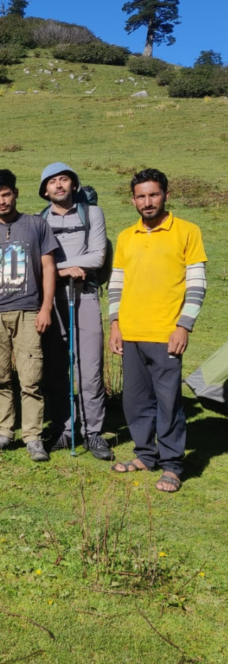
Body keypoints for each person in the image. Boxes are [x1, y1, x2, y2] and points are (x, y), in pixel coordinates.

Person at [109, 168, 207, 493]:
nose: (147, 202)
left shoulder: (187, 231)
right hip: (132, 333)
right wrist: (114, 325)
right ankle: (144, 455)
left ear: (166, 194)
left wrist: (183, 326)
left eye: (153, 195)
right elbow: (117, 285)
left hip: (167, 334)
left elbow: (196, 284)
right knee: (135, 403)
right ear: (133, 199)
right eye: (141, 196)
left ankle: (172, 465)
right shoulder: (125, 237)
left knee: (168, 402)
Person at [0, 169, 58, 462]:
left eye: (6, 194)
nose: (2, 201)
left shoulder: (36, 225)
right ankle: (4, 432)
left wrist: (46, 307)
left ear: (16, 193)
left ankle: (33, 437)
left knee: (31, 378)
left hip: (29, 311)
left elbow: (48, 268)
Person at [38, 162, 113, 460]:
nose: (59, 185)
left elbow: (98, 255)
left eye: (64, 179)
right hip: (50, 298)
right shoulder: (39, 221)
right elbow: (35, 261)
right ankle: (64, 427)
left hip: (85, 295)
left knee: (90, 367)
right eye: (52, 182)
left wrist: (55, 268)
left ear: (74, 184)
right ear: (45, 191)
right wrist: (63, 268)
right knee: (56, 366)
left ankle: (93, 432)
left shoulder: (92, 213)